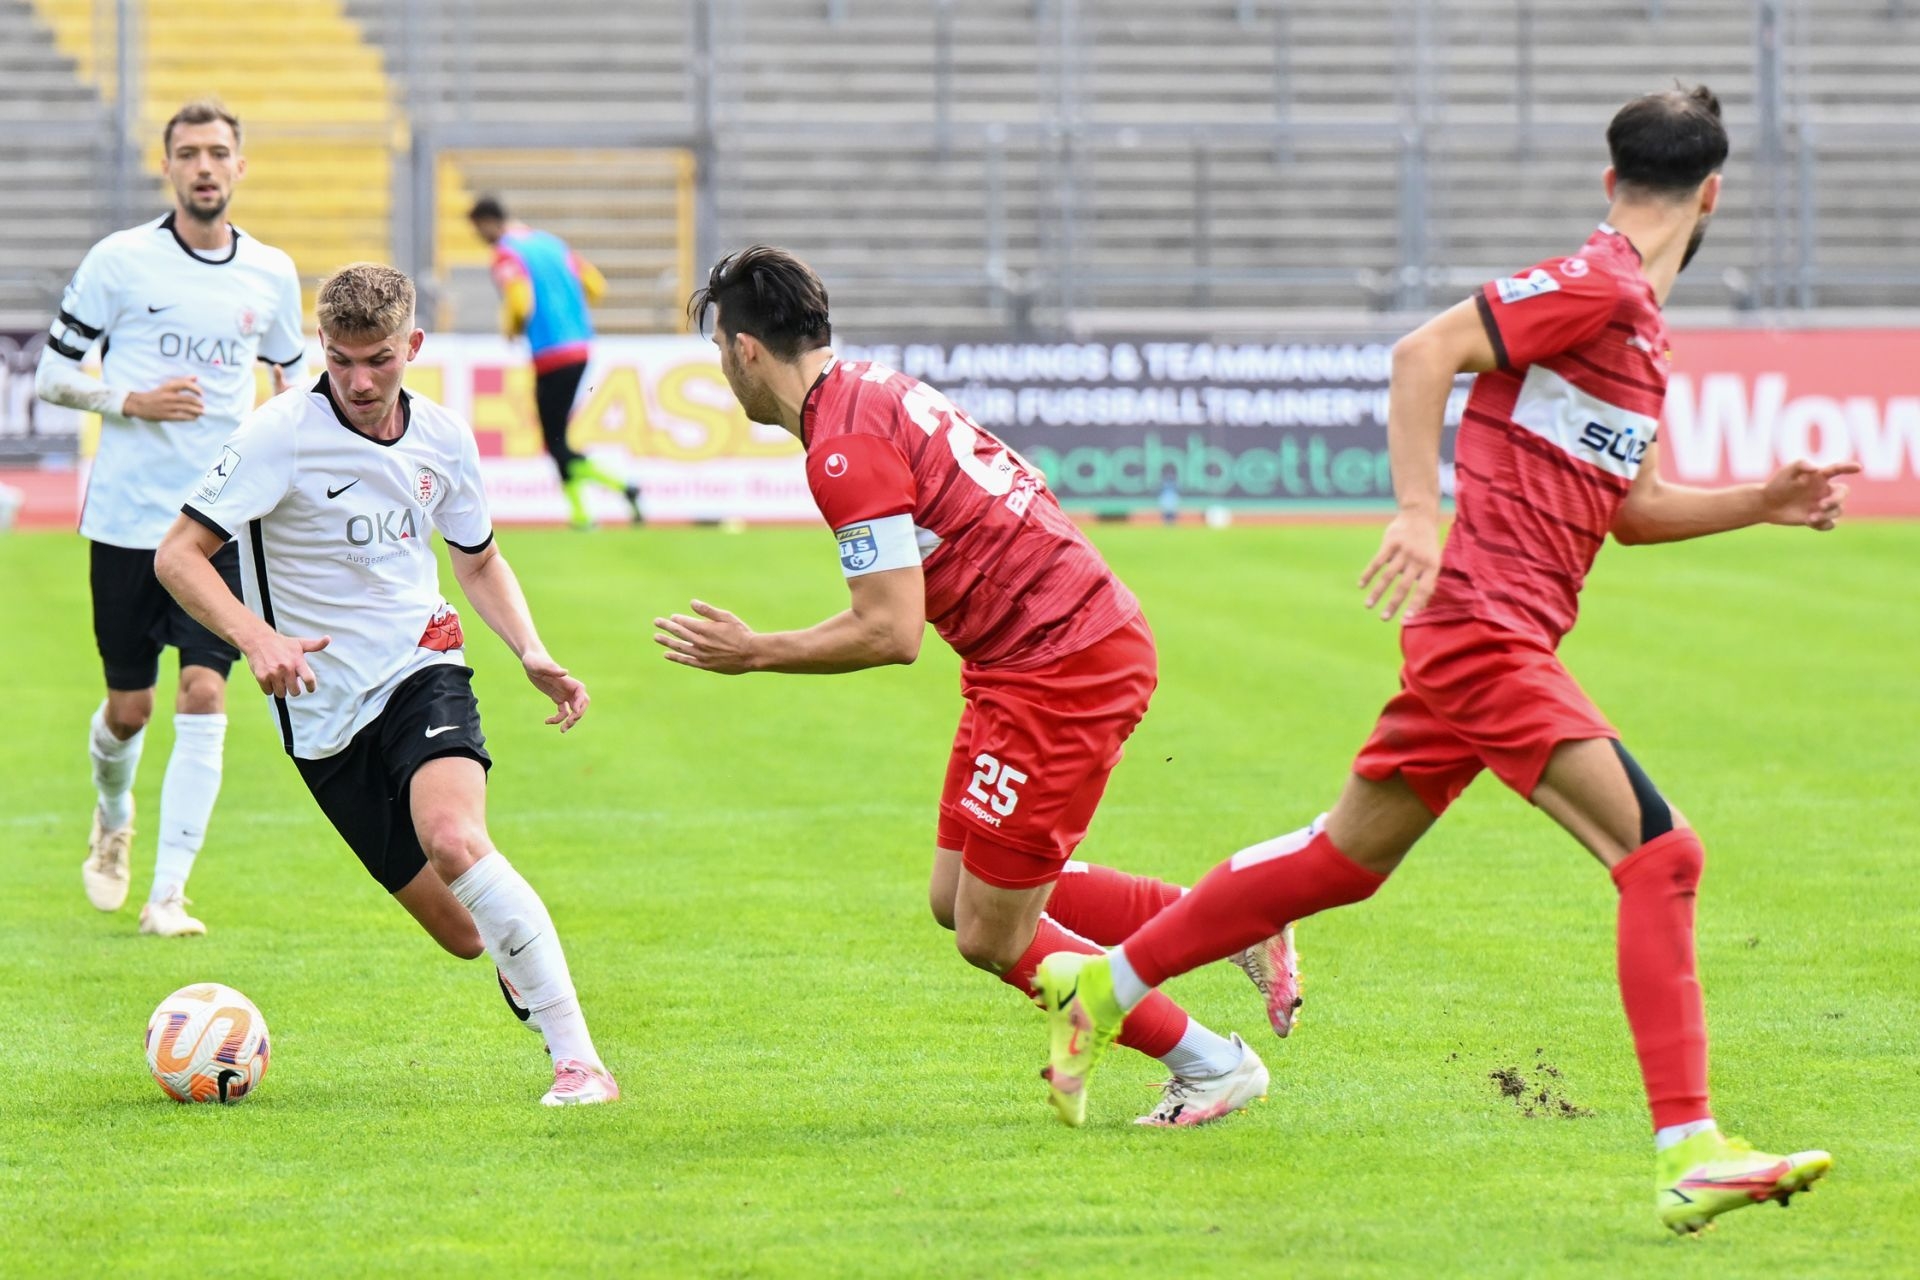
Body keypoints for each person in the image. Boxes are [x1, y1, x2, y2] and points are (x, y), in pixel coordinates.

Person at [1032, 85, 1853, 1231]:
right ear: (1713, 194)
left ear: (1615, 178)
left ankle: (1102, 980)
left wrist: (1759, 500)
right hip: (1485, 627)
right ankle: (1691, 1146)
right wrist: (1420, 511)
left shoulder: (1636, 335)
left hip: (1488, 635)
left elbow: (1636, 507)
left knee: (1339, 861)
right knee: (1662, 855)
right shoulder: (1598, 280)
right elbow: (1427, 350)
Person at [657, 246, 1297, 1127]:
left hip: (1060, 666)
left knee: (990, 936)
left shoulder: (842, 448)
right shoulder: (871, 389)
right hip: (1022, 660)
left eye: (720, 358)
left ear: (743, 351)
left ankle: (1213, 1064)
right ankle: (1228, 920)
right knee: (955, 896)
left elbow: (891, 630)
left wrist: (756, 650)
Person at [153, 263, 618, 1106]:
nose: (360, 381)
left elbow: (477, 560)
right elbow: (177, 554)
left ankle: (579, 1062)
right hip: (321, 715)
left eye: (378, 360)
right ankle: (521, 960)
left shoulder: (442, 436)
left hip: (421, 665)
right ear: (320, 351)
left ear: (413, 346)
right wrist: (257, 639)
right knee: (469, 935)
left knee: (452, 837)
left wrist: (530, 649)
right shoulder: (277, 434)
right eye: (340, 362)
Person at [36, 99, 306, 937]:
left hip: (217, 527)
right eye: (189, 152)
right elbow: (50, 375)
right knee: (131, 709)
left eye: (219, 152)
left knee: (202, 692)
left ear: (240, 166)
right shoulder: (120, 262)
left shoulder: (271, 273)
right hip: (125, 523)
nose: (204, 166)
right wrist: (130, 398)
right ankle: (112, 819)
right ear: (169, 167)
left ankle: (169, 894)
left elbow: (295, 384)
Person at [467, 196, 641, 530]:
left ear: (487, 222)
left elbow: (520, 300)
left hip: (551, 353)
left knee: (555, 442)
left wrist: (514, 327)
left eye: (477, 228)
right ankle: (581, 515)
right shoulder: (551, 243)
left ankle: (623, 486)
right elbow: (595, 285)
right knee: (558, 439)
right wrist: (570, 309)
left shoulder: (506, 253)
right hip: (580, 345)